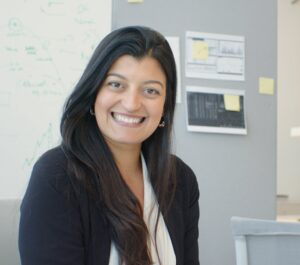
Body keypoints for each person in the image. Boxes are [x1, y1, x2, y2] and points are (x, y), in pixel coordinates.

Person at [19, 26, 200, 265]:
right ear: (93, 94)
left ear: (165, 106)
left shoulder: (180, 179)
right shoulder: (56, 176)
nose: (132, 103)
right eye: (116, 84)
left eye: (150, 90)